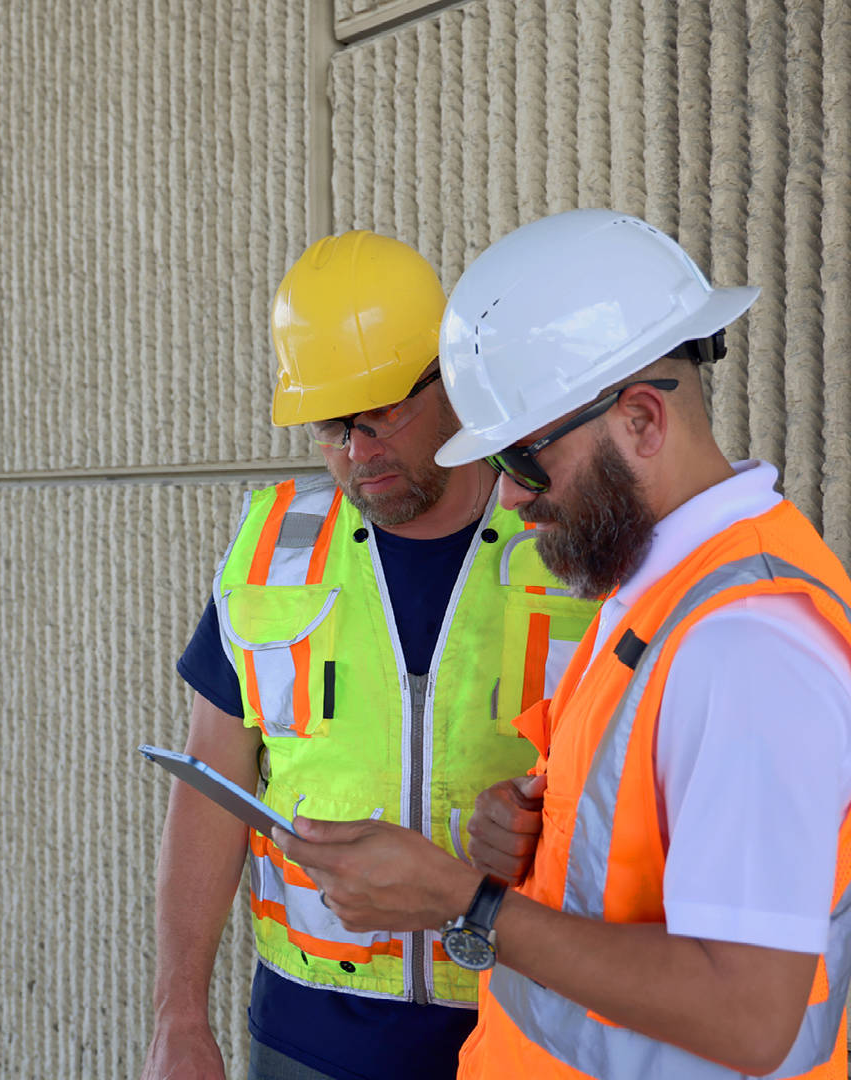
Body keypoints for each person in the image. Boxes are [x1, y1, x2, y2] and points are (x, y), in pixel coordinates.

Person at [275, 208, 851, 1079]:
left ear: (643, 421)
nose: (509, 501)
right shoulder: (656, 595)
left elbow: (748, 1016)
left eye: (526, 462)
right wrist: (533, 838)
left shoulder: (745, 648)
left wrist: (463, 902)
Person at [140, 231, 599, 1080]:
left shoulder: (567, 543)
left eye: (382, 411)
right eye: (332, 425)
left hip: (531, 1026)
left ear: (454, 384)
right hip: (306, 1033)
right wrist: (179, 1014)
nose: (357, 450)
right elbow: (211, 787)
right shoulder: (275, 548)